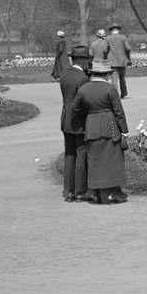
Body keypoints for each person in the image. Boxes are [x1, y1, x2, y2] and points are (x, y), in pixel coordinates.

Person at [72, 59, 129, 205]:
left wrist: (89, 113)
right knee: (112, 158)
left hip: (91, 125)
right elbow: (119, 112)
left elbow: (75, 107)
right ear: (105, 74)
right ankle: (112, 193)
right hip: (109, 125)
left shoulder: (84, 89)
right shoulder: (110, 89)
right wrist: (124, 130)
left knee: (95, 160)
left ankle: (95, 193)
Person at [59, 45, 93, 202]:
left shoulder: (64, 75)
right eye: (87, 60)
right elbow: (83, 102)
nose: (88, 63)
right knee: (81, 155)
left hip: (66, 120)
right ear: (80, 60)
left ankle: (69, 191)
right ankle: (80, 191)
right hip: (79, 121)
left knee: (69, 155)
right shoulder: (83, 79)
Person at [106, 23, 132, 99]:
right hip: (122, 60)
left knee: (114, 79)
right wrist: (127, 56)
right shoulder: (123, 37)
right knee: (122, 78)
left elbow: (105, 49)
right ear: (118, 30)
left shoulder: (108, 38)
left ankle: (115, 94)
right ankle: (124, 92)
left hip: (112, 61)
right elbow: (128, 48)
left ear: (111, 31)